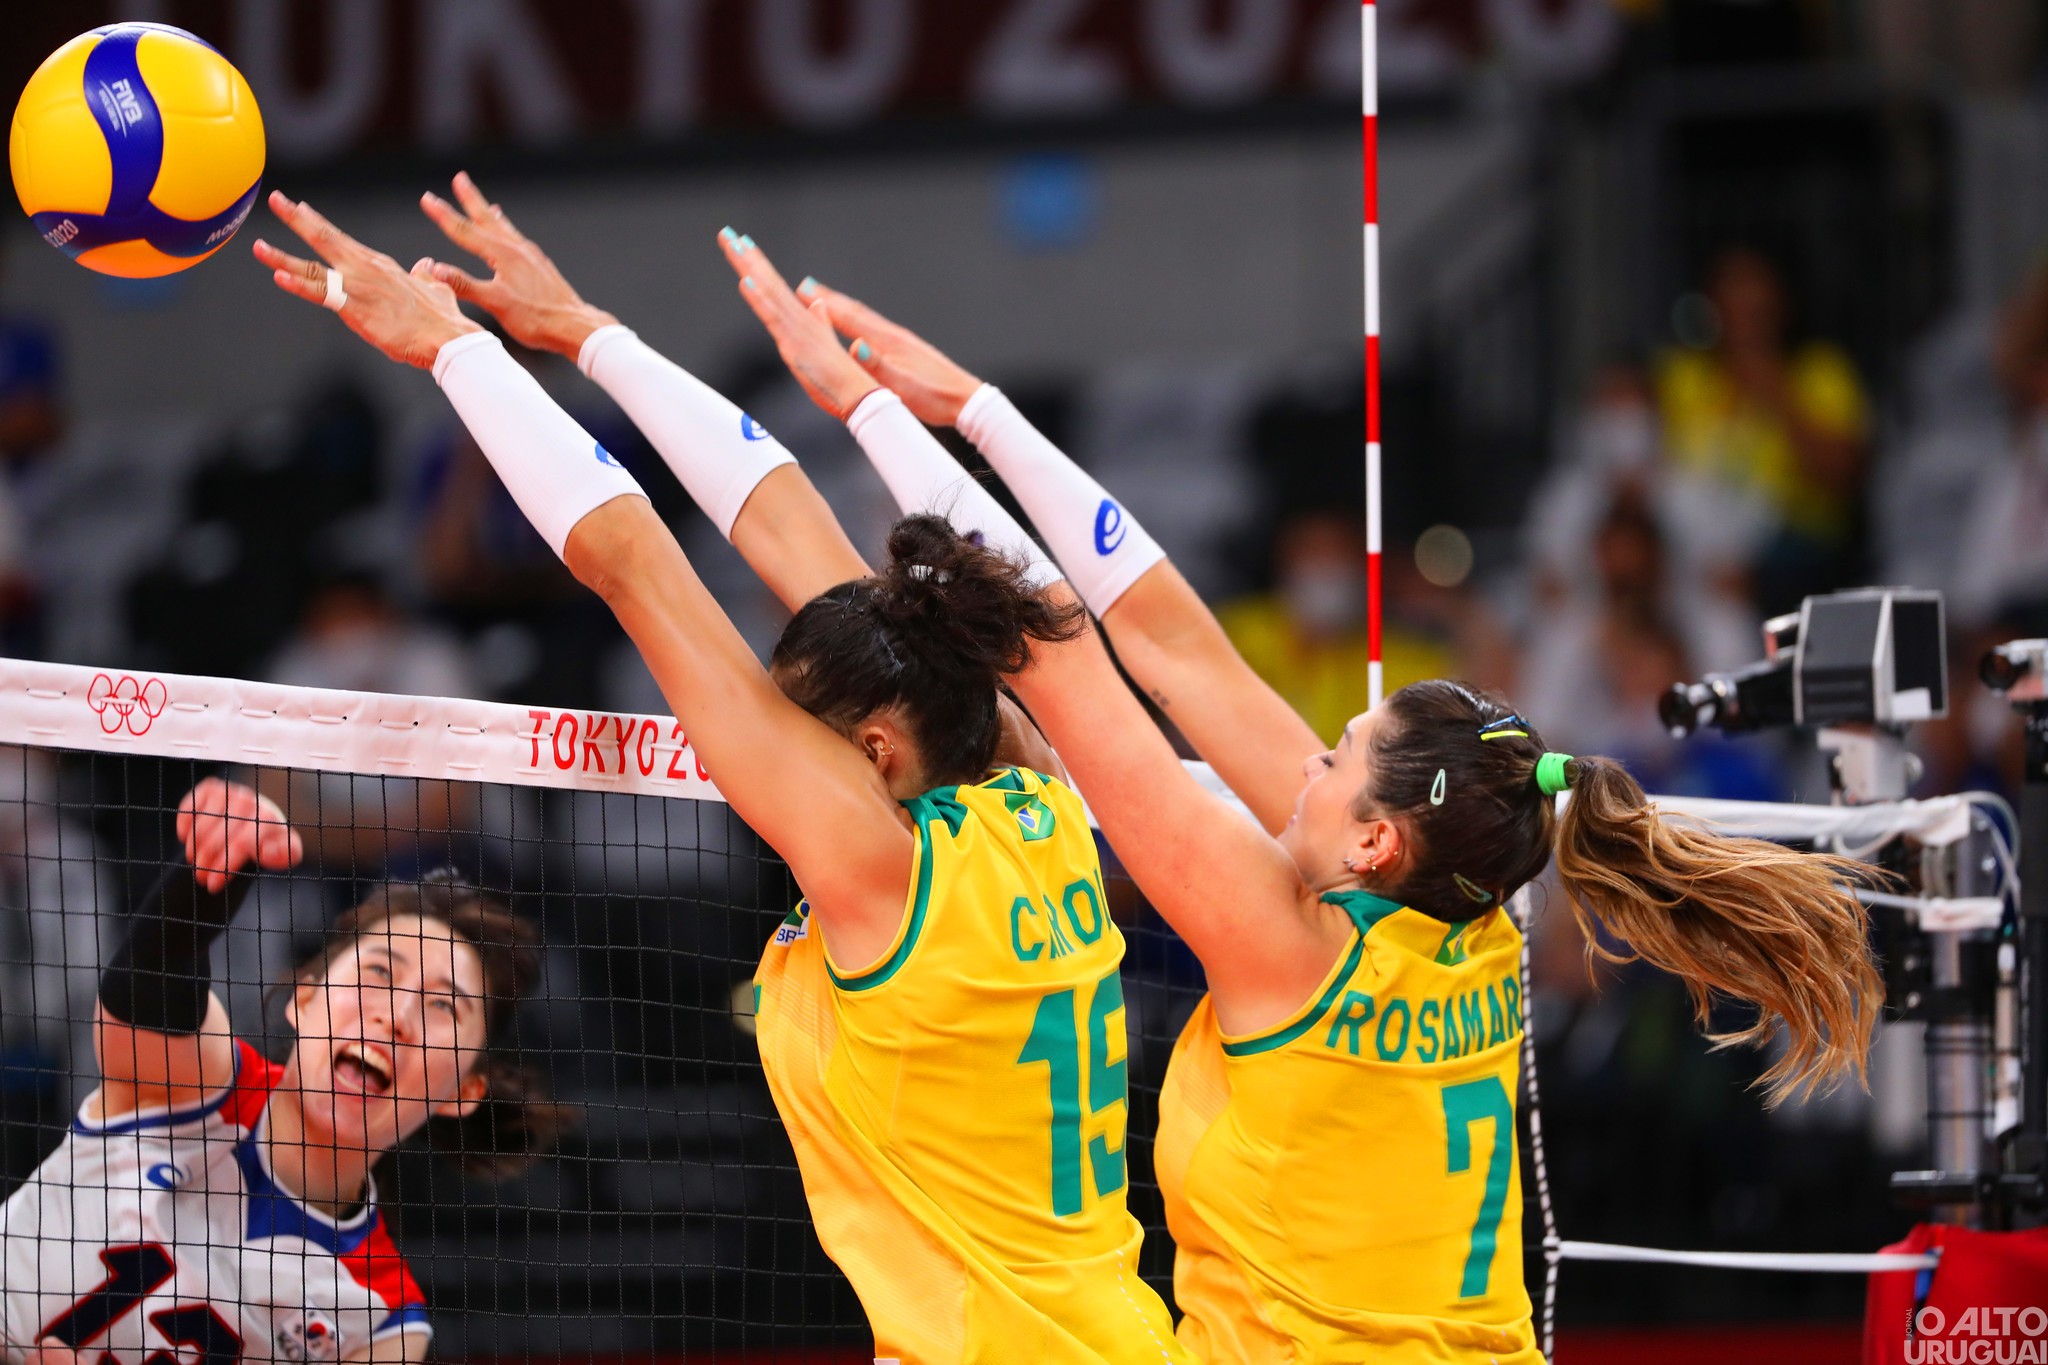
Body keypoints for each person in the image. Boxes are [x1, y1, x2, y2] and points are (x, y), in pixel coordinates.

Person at [723, 260, 1886, 1362]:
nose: (1303, 760)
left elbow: (1055, 655)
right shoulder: (1466, 921)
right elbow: (1184, 649)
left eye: (1334, 756)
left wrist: (875, 409)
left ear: (1373, 837)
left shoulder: (1285, 948)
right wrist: (975, 411)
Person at [252, 185, 1187, 1365]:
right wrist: (592, 335)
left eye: (797, 726)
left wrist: (455, 354)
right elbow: (805, 541)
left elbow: (637, 564)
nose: (773, 745)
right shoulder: (1030, 788)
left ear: (873, 755)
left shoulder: (883, 873)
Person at [0, 777, 563, 1365]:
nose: (397, 1017)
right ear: (303, 998)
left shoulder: (384, 1324)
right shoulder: (202, 1084)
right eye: (379, 973)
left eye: (443, 1006)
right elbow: (151, 984)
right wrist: (214, 876)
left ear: (461, 1093)